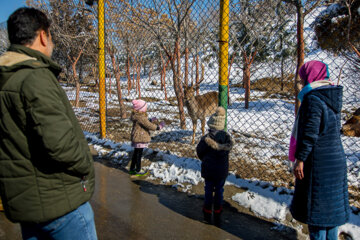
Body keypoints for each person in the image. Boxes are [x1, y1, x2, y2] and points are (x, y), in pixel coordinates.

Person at [0, 7, 97, 240]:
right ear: (43, 35)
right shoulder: (35, 76)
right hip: (60, 204)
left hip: (27, 204)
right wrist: (85, 162)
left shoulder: (6, 76)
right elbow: (60, 144)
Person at [289, 60, 349, 240]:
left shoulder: (313, 99)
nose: (300, 83)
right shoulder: (330, 96)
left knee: (316, 217)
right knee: (330, 218)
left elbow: (309, 135)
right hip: (335, 161)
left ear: (310, 77)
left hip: (318, 165)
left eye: (302, 79)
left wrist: (300, 159)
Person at [196, 106, 233, 226]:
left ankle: (207, 208)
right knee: (219, 190)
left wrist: (205, 159)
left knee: (208, 188)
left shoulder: (206, 139)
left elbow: (199, 151)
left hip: (209, 170)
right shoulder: (227, 139)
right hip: (222, 171)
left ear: (211, 125)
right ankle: (217, 208)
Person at [130, 99, 165, 176]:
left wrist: (150, 119)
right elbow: (148, 125)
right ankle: (138, 170)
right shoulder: (141, 117)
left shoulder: (137, 116)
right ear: (141, 109)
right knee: (139, 154)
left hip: (136, 137)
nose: (146, 109)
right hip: (140, 138)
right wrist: (159, 127)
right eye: (145, 107)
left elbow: (143, 122)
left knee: (136, 153)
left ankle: (132, 169)